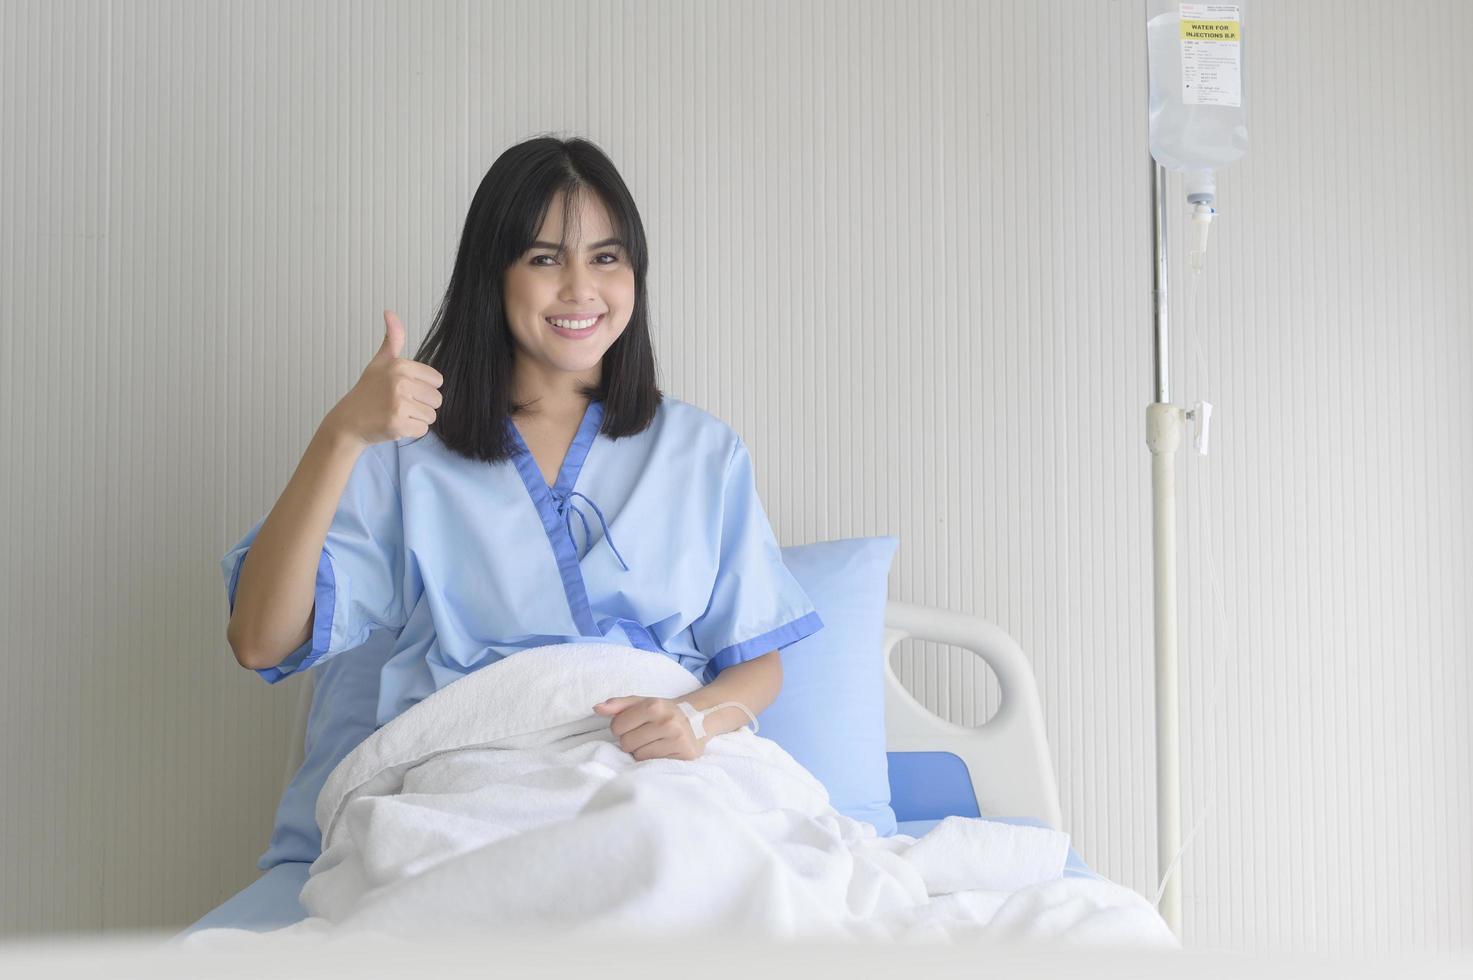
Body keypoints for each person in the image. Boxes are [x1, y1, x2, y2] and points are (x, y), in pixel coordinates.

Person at [222, 136, 823, 762]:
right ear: (494, 275)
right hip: (479, 772)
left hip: (658, 770)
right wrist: (339, 435)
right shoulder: (409, 451)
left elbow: (758, 665)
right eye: (544, 259)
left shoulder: (704, 451)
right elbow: (260, 642)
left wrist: (693, 720)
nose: (581, 289)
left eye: (607, 257)